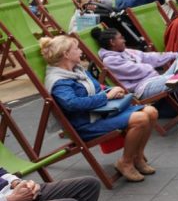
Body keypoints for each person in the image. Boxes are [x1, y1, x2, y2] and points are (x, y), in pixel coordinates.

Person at [41, 35, 159, 183]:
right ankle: (126, 162)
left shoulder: (77, 70)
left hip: (100, 114)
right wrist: (107, 97)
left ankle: (137, 156)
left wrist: (112, 90)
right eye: (76, 49)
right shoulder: (59, 81)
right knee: (140, 119)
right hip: (86, 125)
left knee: (151, 112)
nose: (80, 51)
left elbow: (97, 88)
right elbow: (72, 104)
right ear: (66, 54)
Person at [92, 26, 178, 136]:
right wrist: (150, 65)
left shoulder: (126, 51)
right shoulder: (110, 60)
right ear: (112, 42)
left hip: (157, 79)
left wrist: (177, 55)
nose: (124, 40)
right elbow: (138, 71)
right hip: (143, 87)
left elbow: (149, 57)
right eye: (121, 38)